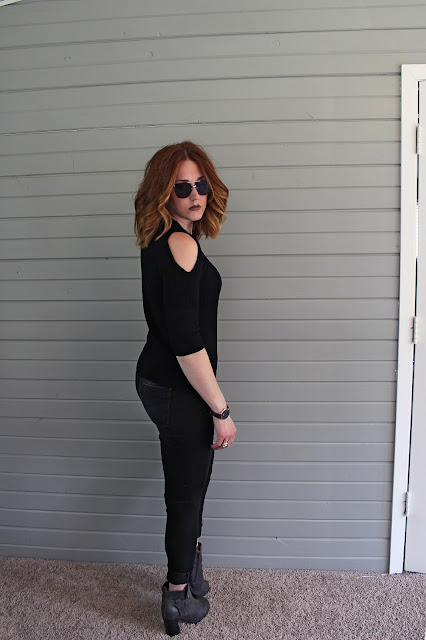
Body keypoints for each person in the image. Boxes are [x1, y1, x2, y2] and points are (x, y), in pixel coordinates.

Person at [133, 141, 237, 636]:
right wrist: (221, 409)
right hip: (179, 384)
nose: (195, 195)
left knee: (190, 482)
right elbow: (186, 342)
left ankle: (190, 568)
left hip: (165, 381)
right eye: (182, 187)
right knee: (187, 492)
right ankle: (177, 594)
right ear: (163, 192)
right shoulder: (181, 245)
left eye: (201, 184)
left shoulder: (163, 240)